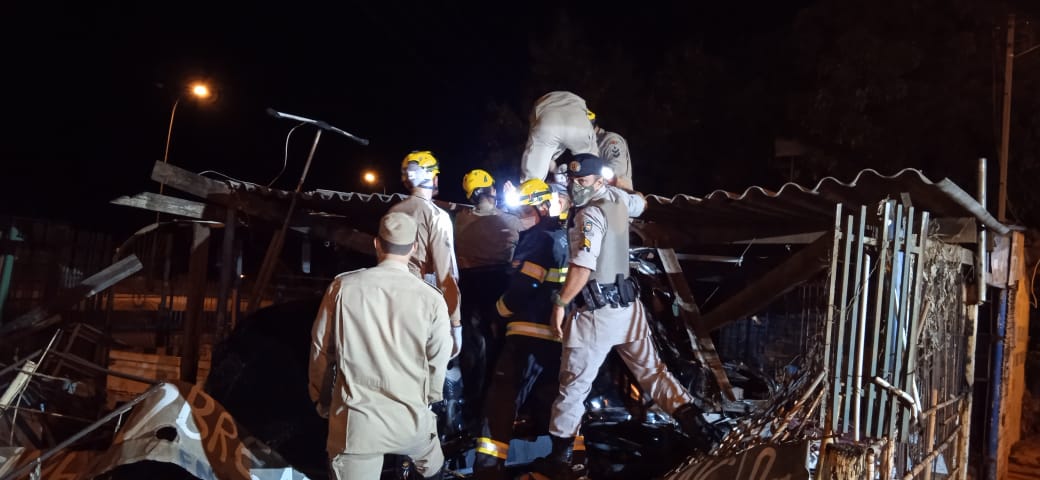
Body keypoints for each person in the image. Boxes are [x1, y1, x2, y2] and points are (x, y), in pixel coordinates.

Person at [538, 153, 721, 477]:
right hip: (628, 311)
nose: (576, 187)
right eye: (573, 181)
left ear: (597, 182)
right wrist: (625, 186)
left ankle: (560, 462)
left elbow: (582, 266)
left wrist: (560, 302)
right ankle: (704, 434)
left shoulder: (589, 215)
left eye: (582, 182)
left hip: (595, 315)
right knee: (653, 372)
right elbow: (642, 204)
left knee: (573, 387)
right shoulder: (617, 200)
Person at [308, 212, 452, 480]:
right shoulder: (431, 299)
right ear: (415, 248)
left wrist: (323, 402)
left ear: (376, 244)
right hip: (411, 423)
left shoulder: (342, 288)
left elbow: (321, 351)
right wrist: (428, 399)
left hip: (357, 426)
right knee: (433, 468)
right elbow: (438, 359)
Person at [472, 179, 579, 480]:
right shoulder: (564, 237)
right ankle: (570, 462)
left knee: (501, 401)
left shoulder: (538, 237)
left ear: (540, 207)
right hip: (557, 339)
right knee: (555, 401)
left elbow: (525, 286)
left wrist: (496, 313)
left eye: (523, 208)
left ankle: (488, 470)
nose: (519, 215)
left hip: (527, 335)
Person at [455, 168, 523, 431]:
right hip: (500, 284)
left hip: (469, 286)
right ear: (492, 191)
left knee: (473, 348)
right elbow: (533, 220)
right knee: (500, 347)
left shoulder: (460, 220)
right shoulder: (510, 220)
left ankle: (473, 408)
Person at [389, 150, 463, 357]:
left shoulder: (392, 213)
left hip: (391, 303)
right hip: (424, 306)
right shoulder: (437, 216)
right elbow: (445, 276)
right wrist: (455, 324)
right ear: (432, 177)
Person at [519, 91, 598, 184]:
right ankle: (594, 188)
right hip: (577, 114)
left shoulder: (537, 109)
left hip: (546, 112)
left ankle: (529, 194)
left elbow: (544, 152)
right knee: (591, 167)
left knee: (532, 181)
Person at [595, 125, 634, 191]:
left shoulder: (609, 140)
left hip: (618, 196)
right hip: (602, 195)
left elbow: (617, 175)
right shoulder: (592, 143)